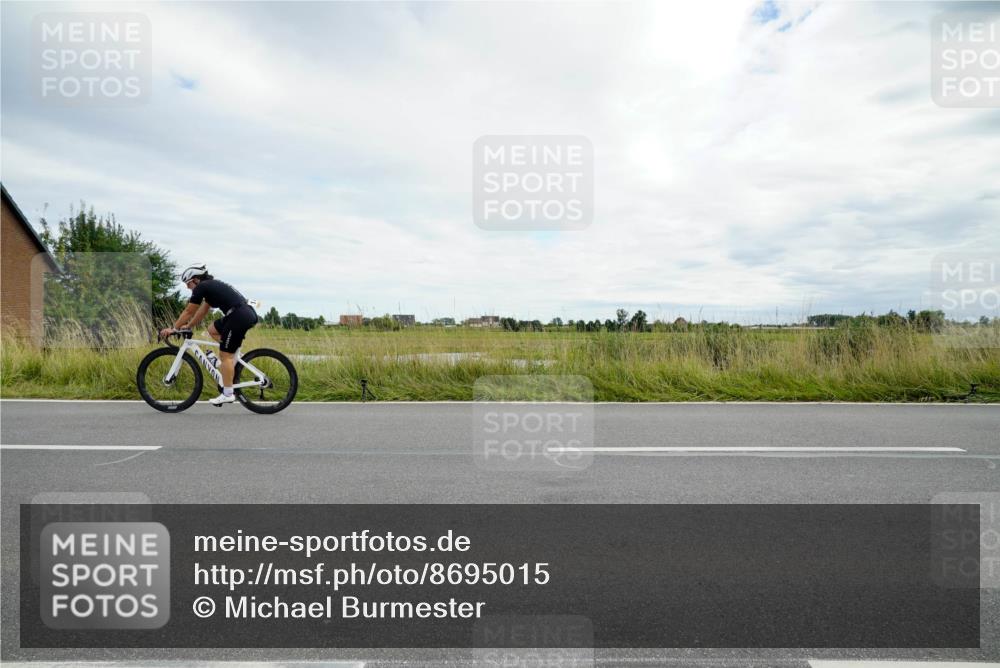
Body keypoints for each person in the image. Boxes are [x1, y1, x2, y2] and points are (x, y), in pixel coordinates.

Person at [159, 262, 258, 406]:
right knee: (212, 329)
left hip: (238, 316)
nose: (188, 287)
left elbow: (189, 311)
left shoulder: (201, 287)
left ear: (195, 280)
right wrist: (189, 326)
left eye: (188, 284)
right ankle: (232, 358)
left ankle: (228, 393)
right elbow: (202, 311)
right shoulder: (210, 286)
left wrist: (174, 328)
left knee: (225, 356)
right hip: (243, 313)